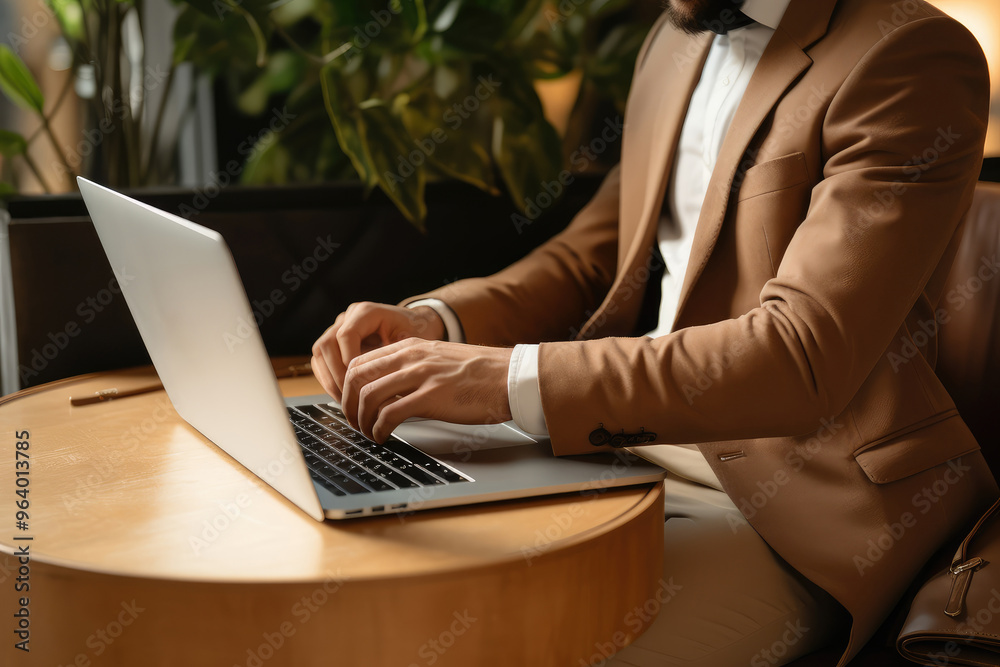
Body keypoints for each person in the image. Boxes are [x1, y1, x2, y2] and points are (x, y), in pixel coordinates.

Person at [310, 0, 1000, 664]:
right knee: (391, 568)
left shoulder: (909, 55)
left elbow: (801, 354)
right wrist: (438, 321)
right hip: (619, 445)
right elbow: (595, 255)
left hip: (795, 506)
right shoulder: (675, 36)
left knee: (529, 641)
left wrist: (507, 378)